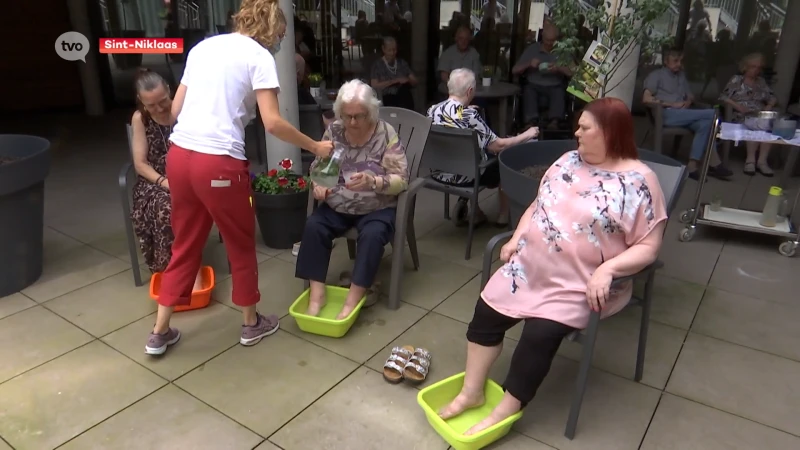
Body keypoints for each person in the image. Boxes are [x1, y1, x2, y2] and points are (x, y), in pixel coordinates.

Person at [438, 97, 668, 435]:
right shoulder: (568, 161)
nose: (576, 133)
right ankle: (472, 393)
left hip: (580, 282)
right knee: (486, 313)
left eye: (585, 128)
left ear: (609, 133)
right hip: (530, 268)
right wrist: (517, 237)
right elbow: (538, 205)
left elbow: (649, 245)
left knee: (539, 333)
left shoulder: (638, 182)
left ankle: (507, 407)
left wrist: (607, 271)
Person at [145, 0, 333, 356]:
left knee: (185, 242)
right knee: (240, 242)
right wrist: (315, 146)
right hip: (219, 163)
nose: (280, 40)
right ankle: (250, 324)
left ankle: (159, 332)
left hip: (180, 157)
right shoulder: (259, 58)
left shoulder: (203, 48)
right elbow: (273, 122)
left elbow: (174, 111)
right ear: (272, 27)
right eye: (281, 33)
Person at [296, 80, 409, 319]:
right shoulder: (334, 131)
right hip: (338, 203)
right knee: (314, 225)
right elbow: (318, 168)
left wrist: (373, 182)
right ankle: (317, 295)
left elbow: (401, 179)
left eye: (359, 116)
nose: (352, 122)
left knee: (373, 235)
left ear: (371, 112)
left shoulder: (385, 133)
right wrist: (318, 185)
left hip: (376, 206)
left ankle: (353, 298)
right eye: (347, 116)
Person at [427, 69, 539, 227]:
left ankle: (476, 211)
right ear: (470, 91)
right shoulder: (470, 116)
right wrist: (527, 134)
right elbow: (498, 146)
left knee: (472, 152)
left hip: (439, 173)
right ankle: (503, 216)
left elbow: (453, 119)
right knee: (506, 161)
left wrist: (466, 109)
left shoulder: (432, 110)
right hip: (467, 176)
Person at [130, 69, 204, 292]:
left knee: (189, 201)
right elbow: (140, 164)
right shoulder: (140, 119)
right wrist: (165, 182)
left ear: (170, 91)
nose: (159, 108)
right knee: (167, 206)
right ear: (141, 101)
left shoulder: (186, 111)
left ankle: (191, 266)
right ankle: (173, 270)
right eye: (151, 105)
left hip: (188, 175)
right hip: (155, 181)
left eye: (162, 101)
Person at [642, 49, 732, 180]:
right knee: (713, 113)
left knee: (705, 124)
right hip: (666, 114)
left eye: (681, 61)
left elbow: (690, 95)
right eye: (675, 61)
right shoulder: (656, 75)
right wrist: (671, 104)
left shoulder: (681, 76)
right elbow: (646, 99)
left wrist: (689, 101)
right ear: (666, 62)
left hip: (684, 114)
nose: (679, 64)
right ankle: (715, 162)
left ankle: (692, 165)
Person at [720, 53, 778, 176]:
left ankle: (762, 161)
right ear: (745, 67)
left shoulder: (761, 82)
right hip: (740, 115)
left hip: (759, 114)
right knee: (756, 125)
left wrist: (769, 106)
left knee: (769, 124)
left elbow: (772, 97)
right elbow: (723, 97)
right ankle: (750, 161)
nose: (756, 70)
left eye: (758, 67)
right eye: (753, 67)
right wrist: (738, 106)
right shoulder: (737, 79)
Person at [512, 25, 572, 129]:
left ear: (557, 40)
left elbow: (572, 73)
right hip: (533, 84)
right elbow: (514, 70)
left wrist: (559, 68)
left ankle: (554, 122)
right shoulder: (532, 49)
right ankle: (530, 123)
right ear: (542, 37)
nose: (549, 43)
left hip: (555, 85)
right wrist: (529, 64)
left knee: (559, 91)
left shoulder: (562, 51)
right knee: (528, 91)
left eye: (552, 40)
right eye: (547, 40)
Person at [370, 37, 417, 110]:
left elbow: (415, 81)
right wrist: (395, 81)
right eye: (389, 50)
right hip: (387, 97)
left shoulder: (402, 63)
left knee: (404, 92)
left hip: (403, 97)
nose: (392, 53)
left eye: (394, 50)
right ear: (383, 49)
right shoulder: (377, 65)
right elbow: (374, 85)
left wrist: (407, 80)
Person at [438, 26, 483, 94]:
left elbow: (476, 75)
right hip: (452, 91)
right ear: (456, 39)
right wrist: (456, 88)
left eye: (466, 39)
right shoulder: (448, 53)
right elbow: (444, 76)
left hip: (470, 90)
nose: (463, 41)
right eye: (461, 38)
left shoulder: (474, 53)